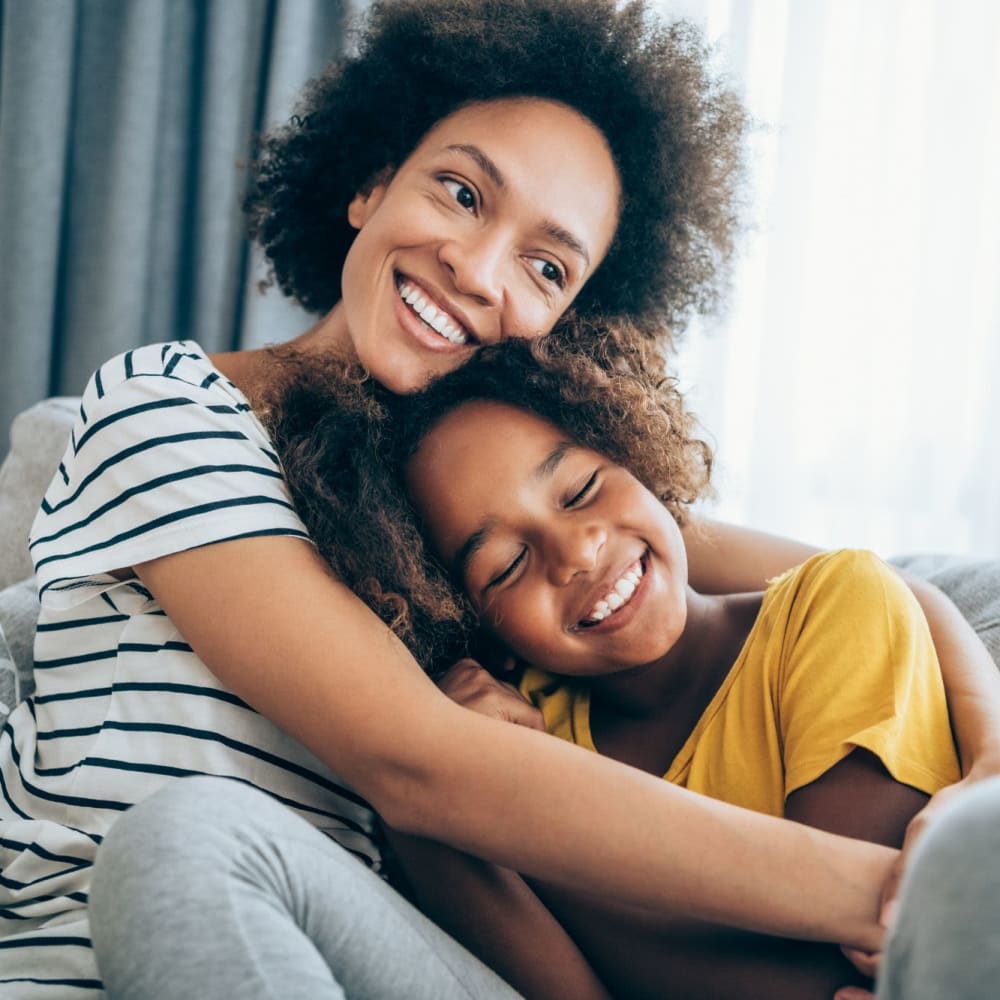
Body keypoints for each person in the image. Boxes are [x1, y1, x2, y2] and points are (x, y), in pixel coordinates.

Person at [2, 1, 997, 997]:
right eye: (461, 192)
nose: (475, 269)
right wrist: (909, 900)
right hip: (97, 943)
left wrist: (985, 740)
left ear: (566, 322)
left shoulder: (466, 501)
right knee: (187, 831)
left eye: (547, 265)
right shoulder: (169, 408)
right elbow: (413, 762)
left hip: (367, 950)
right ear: (370, 181)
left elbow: (871, 582)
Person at [343, 336, 967, 998]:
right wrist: (458, 787)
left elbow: (832, 972)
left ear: (638, 455)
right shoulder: (514, 734)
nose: (577, 555)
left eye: (581, 489)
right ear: (472, 625)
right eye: (506, 565)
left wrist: (515, 832)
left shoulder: (839, 608)